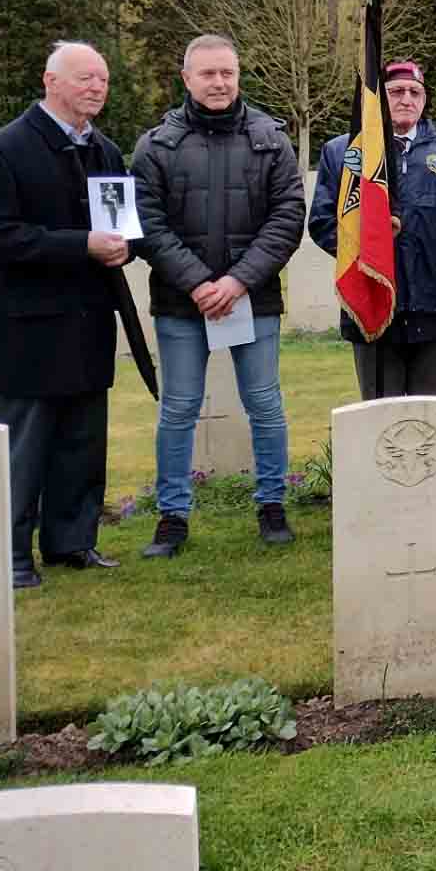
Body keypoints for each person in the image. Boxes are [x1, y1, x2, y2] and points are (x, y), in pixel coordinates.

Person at [131, 34, 305, 558]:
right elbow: (149, 224)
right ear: (186, 78)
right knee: (180, 408)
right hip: (182, 302)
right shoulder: (156, 145)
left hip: (253, 297)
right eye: (207, 74)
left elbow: (287, 217)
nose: (219, 82)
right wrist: (199, 283)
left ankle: (272, 504)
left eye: (227, 73)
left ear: (238, 75)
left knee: (265, 405)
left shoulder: (270, 139)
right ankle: (172, 516)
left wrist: (236, 281)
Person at [0, 41, 129, 588]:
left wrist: (124, 244)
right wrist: (80, 245)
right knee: (25, 448)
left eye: (102, 79)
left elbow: (119, 220)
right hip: (29, 327)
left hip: (87, 322)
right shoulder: (3, 151)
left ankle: (72, 542)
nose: (96, 87)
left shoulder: (105, 150)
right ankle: (12, 554)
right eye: (84, 77)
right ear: (50, 80)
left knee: (81, 444)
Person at [308, 59, 436, 398]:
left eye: (415, 92)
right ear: (378, 99)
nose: (407, 99)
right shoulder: (343, 152)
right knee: (380, 416)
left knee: (431, 415)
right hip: (372, 299)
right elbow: (322, 221)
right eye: (396, 91)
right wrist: (366, 249)